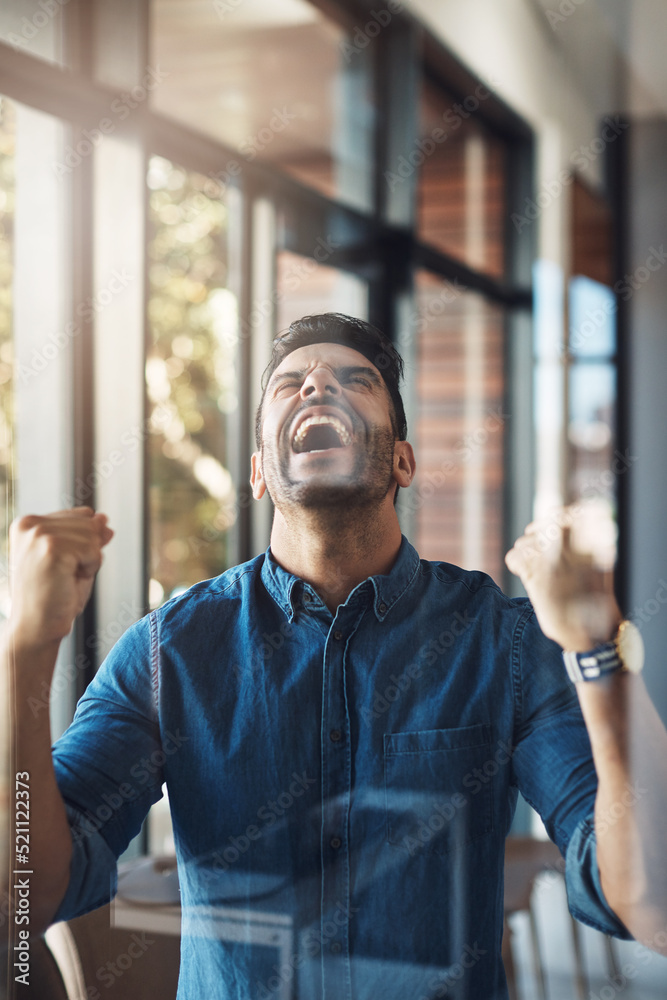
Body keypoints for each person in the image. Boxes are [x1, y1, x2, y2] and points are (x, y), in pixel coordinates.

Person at [2, 312, 666, 999]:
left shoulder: (503, 640)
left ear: (402, 461)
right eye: (291, 382)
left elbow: (652, 905)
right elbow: (20, 899)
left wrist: (595, 647)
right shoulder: (168, 652)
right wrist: (25, 648)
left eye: (355, 380)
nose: (317, 384)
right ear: (259, 472)